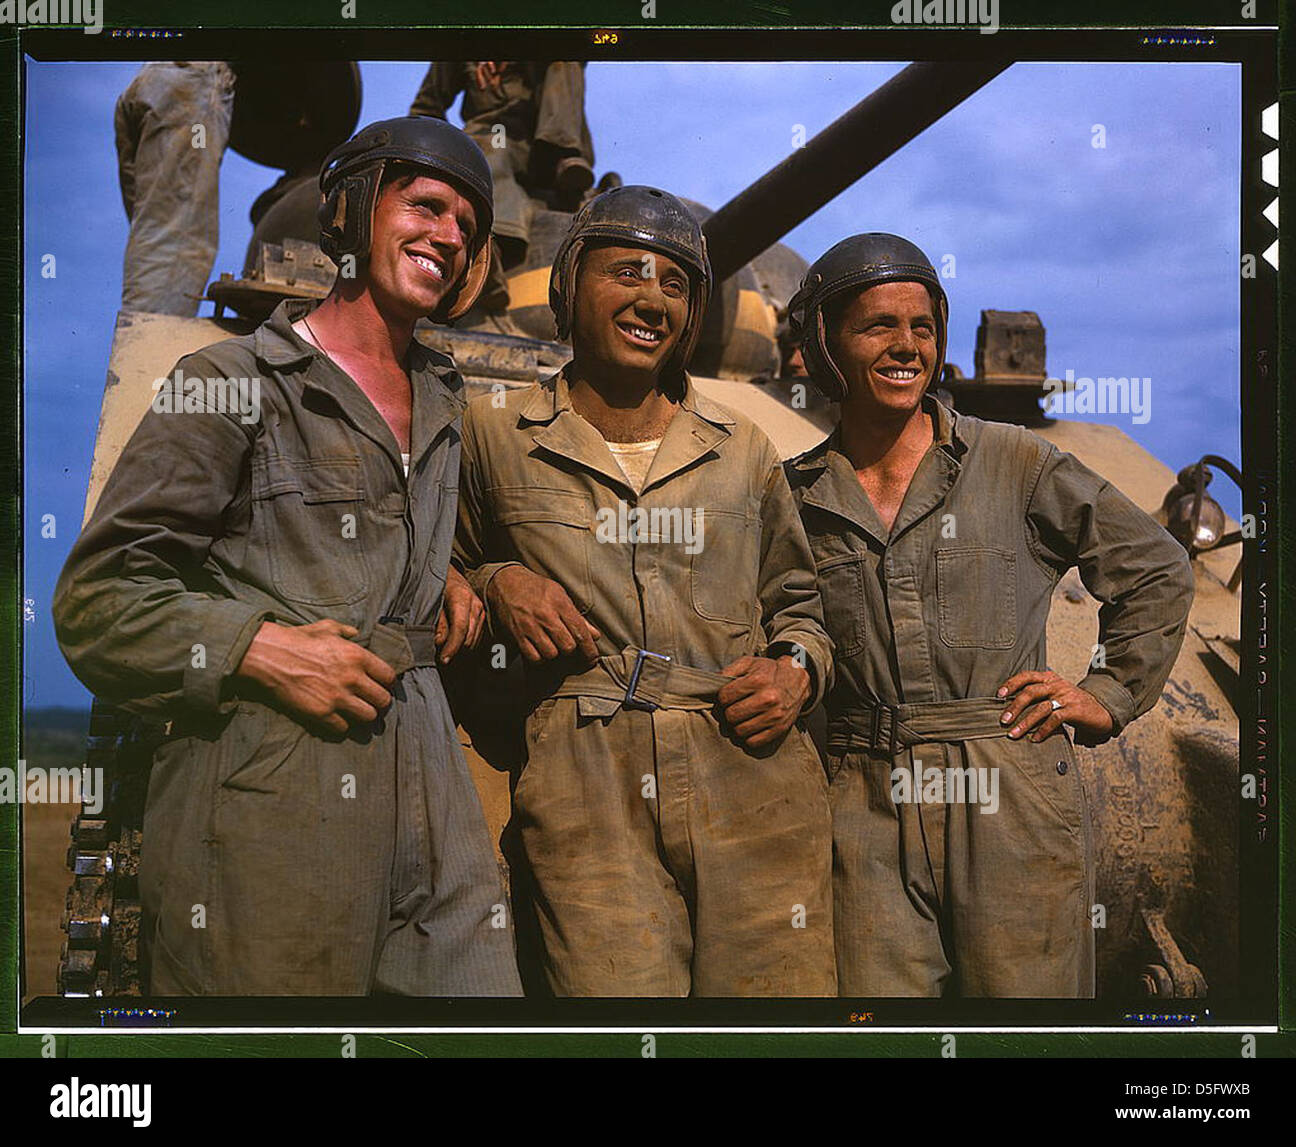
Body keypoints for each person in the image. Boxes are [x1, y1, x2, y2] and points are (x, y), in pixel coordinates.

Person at [53, 116, 523, 997]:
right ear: (348, 212)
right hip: (276, 782)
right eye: (425, 205)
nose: (451, 236)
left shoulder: (445, 400)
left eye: (469, 223)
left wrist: (455, 573)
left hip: (434, 790)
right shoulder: (229, 381)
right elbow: (99, 602)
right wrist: (261, 647)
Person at [784, 233, 1196, 997]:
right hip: (861, 802)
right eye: (878, 326)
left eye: (923, 327)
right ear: (824, 343)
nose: (907, 346)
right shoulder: (795, 494)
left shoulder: (1012, 462)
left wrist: (1104, 695)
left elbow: (1158, 568)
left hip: (1007, 790)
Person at [454, 186, 837, 997]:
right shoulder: (492, 434)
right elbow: (427, 575)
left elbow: (800, 606)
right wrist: (497, 579)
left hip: (753, 773)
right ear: (568, 287)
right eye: (626, 270)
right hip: (585, 782)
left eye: (675, 283)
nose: (651, 298)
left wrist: (796, 668)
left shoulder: (744, 448)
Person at [411, 61, 596, 314]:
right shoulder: (462, 42)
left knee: (565, 58)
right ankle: (485, 258)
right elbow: (426, 108)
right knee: (489, 156)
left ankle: (565, 154)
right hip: (491, 134)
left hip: (545, 150)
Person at [114, 61, 236, 315]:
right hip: (192, 86)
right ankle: (150, 351)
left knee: (155, 227)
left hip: (156, 81)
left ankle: (143, 340)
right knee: (176, 237)